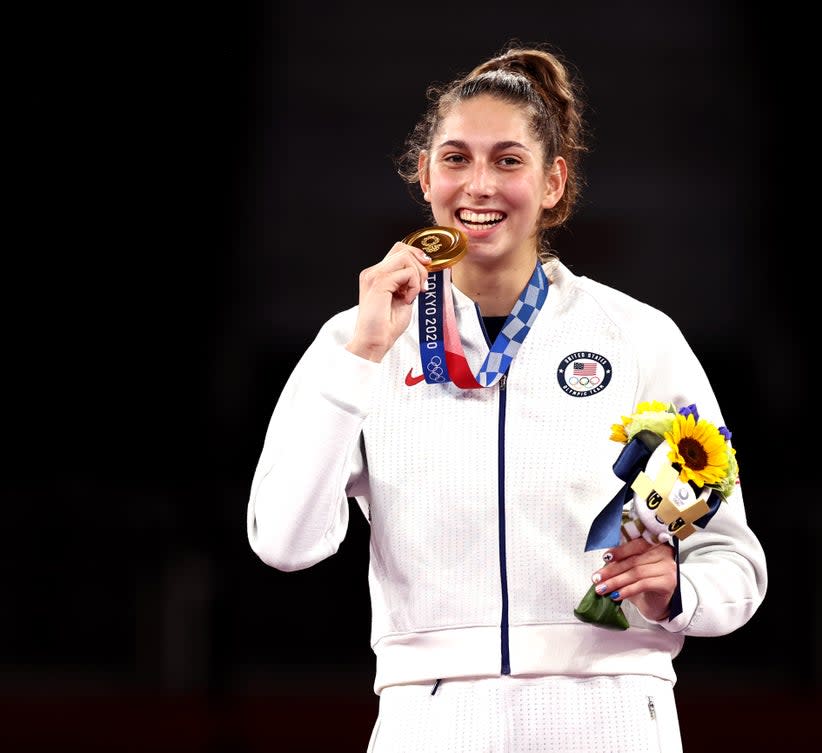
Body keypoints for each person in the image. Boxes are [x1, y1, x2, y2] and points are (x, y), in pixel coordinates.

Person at [246, 41, 767, 753]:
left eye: (508, 160)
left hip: (608, 711)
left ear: (553, 181)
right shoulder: (357, 340)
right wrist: (361, 358)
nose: (479, 185)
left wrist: (681, 590)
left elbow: (735, 563)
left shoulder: (637, 336)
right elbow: (283, 541)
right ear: (425, 175)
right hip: (430, 719)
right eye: (456, 158)